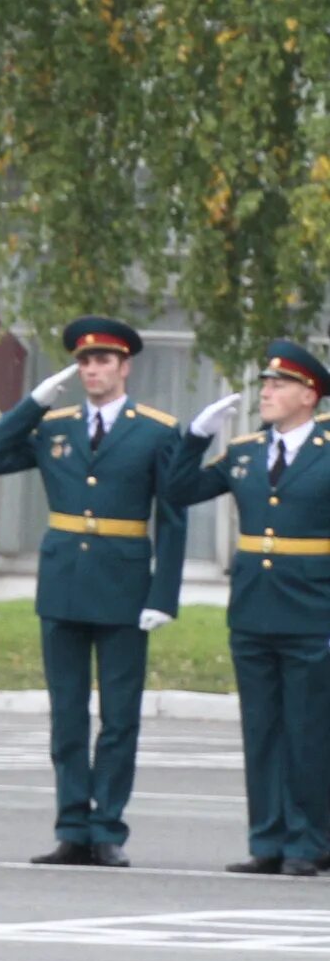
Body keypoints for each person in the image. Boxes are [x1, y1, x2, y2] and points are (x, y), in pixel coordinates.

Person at [0, 318, 188, 866]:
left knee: (119, 718)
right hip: (64, 584)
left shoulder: (157, 430)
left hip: (124, 587)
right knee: (67, 714)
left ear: (125, 368)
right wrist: (32, 404)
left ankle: (107, 828)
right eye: (84, 362)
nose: (92, 370)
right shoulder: (55, 426)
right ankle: (72, 825)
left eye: (103, 361)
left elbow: (171, 517)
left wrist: (163, 594)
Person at [164, 340, 330, 876]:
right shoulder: (243, 452)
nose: (268, 393)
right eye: (265, 384)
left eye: (280, 385)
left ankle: (310, 841)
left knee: (309, 732)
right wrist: (194, 438)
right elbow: (178, 490)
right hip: (254, 611)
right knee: (260, 729)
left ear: (310, 396)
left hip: (313, 610)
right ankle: (268, 839)